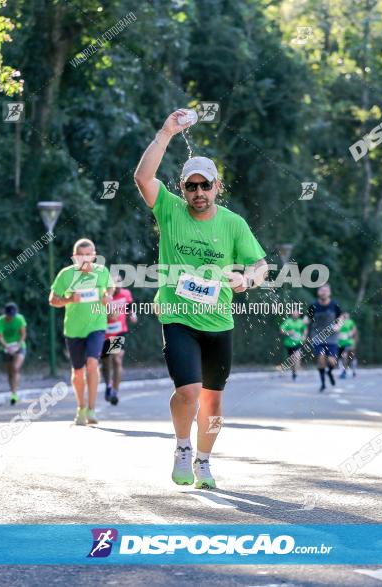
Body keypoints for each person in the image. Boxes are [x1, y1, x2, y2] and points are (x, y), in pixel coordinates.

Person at [133, 108, 268, 489]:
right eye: (190, 186)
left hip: (219, 322)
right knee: (188, 391)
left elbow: (261, 265)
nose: (197, 193)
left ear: (216, 187)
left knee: (213, 402)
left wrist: (246, 279)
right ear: (182, 189)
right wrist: (165, 132)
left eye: (204, 186)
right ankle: (182, 448)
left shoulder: (232, 223)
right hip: (177, 317)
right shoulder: (170, 210)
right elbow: (142, 177)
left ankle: (204, 462)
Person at [49, 238, 114, 426]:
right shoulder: (66, 275)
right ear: (74, 257)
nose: (85, 259)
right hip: (74, 329)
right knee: (78, 372)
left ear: (94, 256)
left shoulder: (102, 272)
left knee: (92, 364)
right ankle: (81, 408)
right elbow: (53, 300)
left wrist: (107, 296)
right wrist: (69, 300)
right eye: (81, 255)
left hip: (97, 326)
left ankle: (92, 409)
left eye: (89, 255)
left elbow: (110, 287)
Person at [102, 274, 137, 405]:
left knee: (116, 359)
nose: (117, 286)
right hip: (104, 333)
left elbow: (130, 307)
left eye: (119, 283)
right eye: (114, 283)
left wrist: (133, 315)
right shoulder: (104, 296)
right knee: (105, 363)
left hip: (118, 332)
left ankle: (115, 392)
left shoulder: (125, 293)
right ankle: (108, 386)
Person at [306, 285, 342, 392]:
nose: (324, 292)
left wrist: (338, 325)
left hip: (332, 338)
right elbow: (308, 318)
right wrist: (305, 323)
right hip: (318, 337)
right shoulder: (313, 306)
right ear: (318, 292)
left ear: (329, 293)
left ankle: (329, 372)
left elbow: (340, 318)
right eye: (322, 290)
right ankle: (323, 384)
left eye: (326, 290)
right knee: (321, 358)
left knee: (332, 361)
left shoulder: (334, 305)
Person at [0, 302, 27, 404]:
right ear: (5, 314)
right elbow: (0, 337)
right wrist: (7, 347)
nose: (11, 318)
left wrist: (17, 346)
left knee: (15, 368)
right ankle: (13, 393)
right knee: (10, 373)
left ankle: (15, 391)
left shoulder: (19, 319)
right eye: (9, 315)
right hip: (6, 347)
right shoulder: (0, 321)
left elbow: (23, 334)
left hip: (19, 346)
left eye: (12, 315)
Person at [280, 308, 308, 380]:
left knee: (297, 356)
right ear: (291, 314)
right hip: (289, 343)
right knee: (292, 359)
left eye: (297, 313)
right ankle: (294, 372)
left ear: (299, 314)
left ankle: (296, 372)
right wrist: (288, 332)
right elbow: (281, 330)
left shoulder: (301, 322)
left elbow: (305, 329)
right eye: (294, 313)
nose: (295, 314)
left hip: (298, 342)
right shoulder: (287, 321)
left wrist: (304, 336)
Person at [337, 312, 357, 379]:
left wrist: (350, 334)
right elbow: (336, 330)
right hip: (340, 343)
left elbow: (354, 330)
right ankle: (343, 371)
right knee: (341, 358)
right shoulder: (338, 323)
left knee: (348, 356)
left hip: (348, 342)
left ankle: (352, 371)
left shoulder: (350, 322)